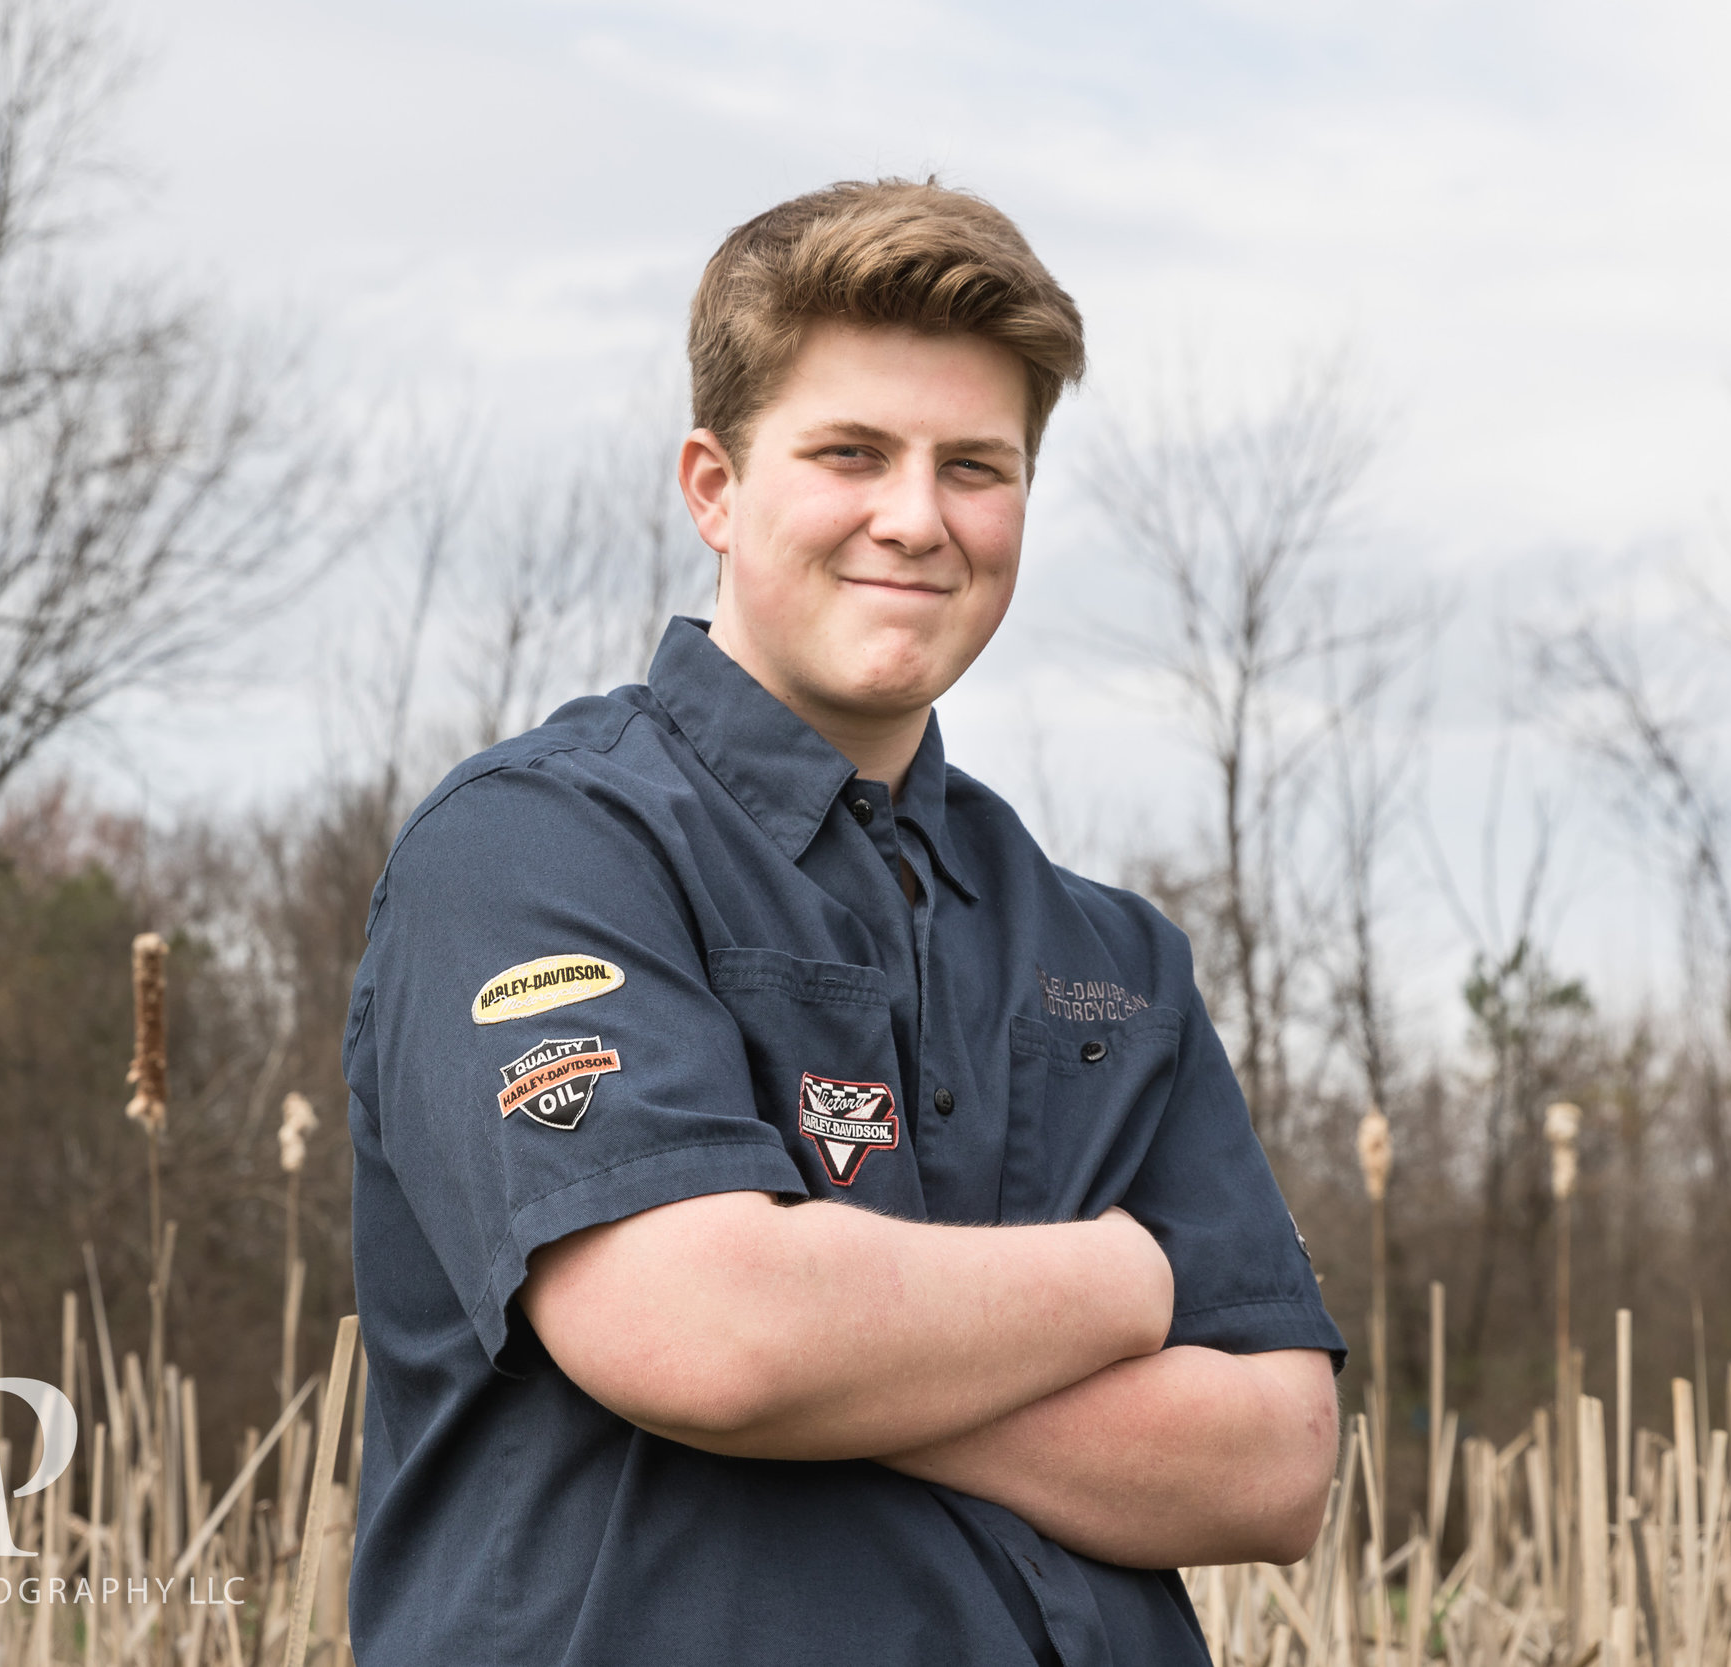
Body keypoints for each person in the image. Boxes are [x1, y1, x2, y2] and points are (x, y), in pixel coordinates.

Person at [343, 178, 1345, 1667]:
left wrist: (855, 1351)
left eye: (976, 468)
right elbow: (710, 1336)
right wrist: (1122, 1281)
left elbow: (1272, 1460)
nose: (916, 519)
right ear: (713, 486)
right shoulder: (534, 851)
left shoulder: (1111, 962)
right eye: (851, 453)